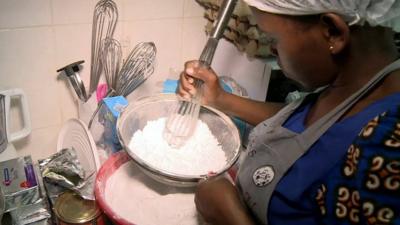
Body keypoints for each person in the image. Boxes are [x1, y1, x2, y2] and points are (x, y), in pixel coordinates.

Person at [177, 0, 400, 224]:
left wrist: (230, 217)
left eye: (273, 39)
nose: (273, 50)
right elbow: (307, 123)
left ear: (333, 32)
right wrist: (221, 100)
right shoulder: (356, 82)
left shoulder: (385, 149)